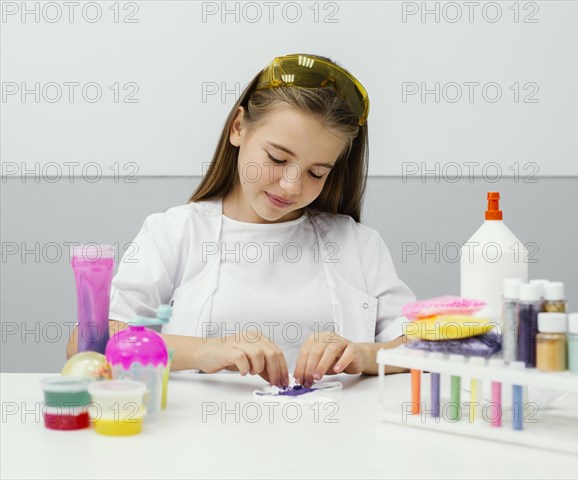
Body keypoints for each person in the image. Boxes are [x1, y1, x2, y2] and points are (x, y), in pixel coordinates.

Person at [67, 53, 416, 388]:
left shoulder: (357, 244)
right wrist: (204, 351)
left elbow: (422, 345)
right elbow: (90, 344)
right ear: (238, 127)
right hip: (197, 440)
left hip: (335, 438)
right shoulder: (176, 233)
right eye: (277, 158)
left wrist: (364, 355)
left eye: (316, 172)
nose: (291, 185)